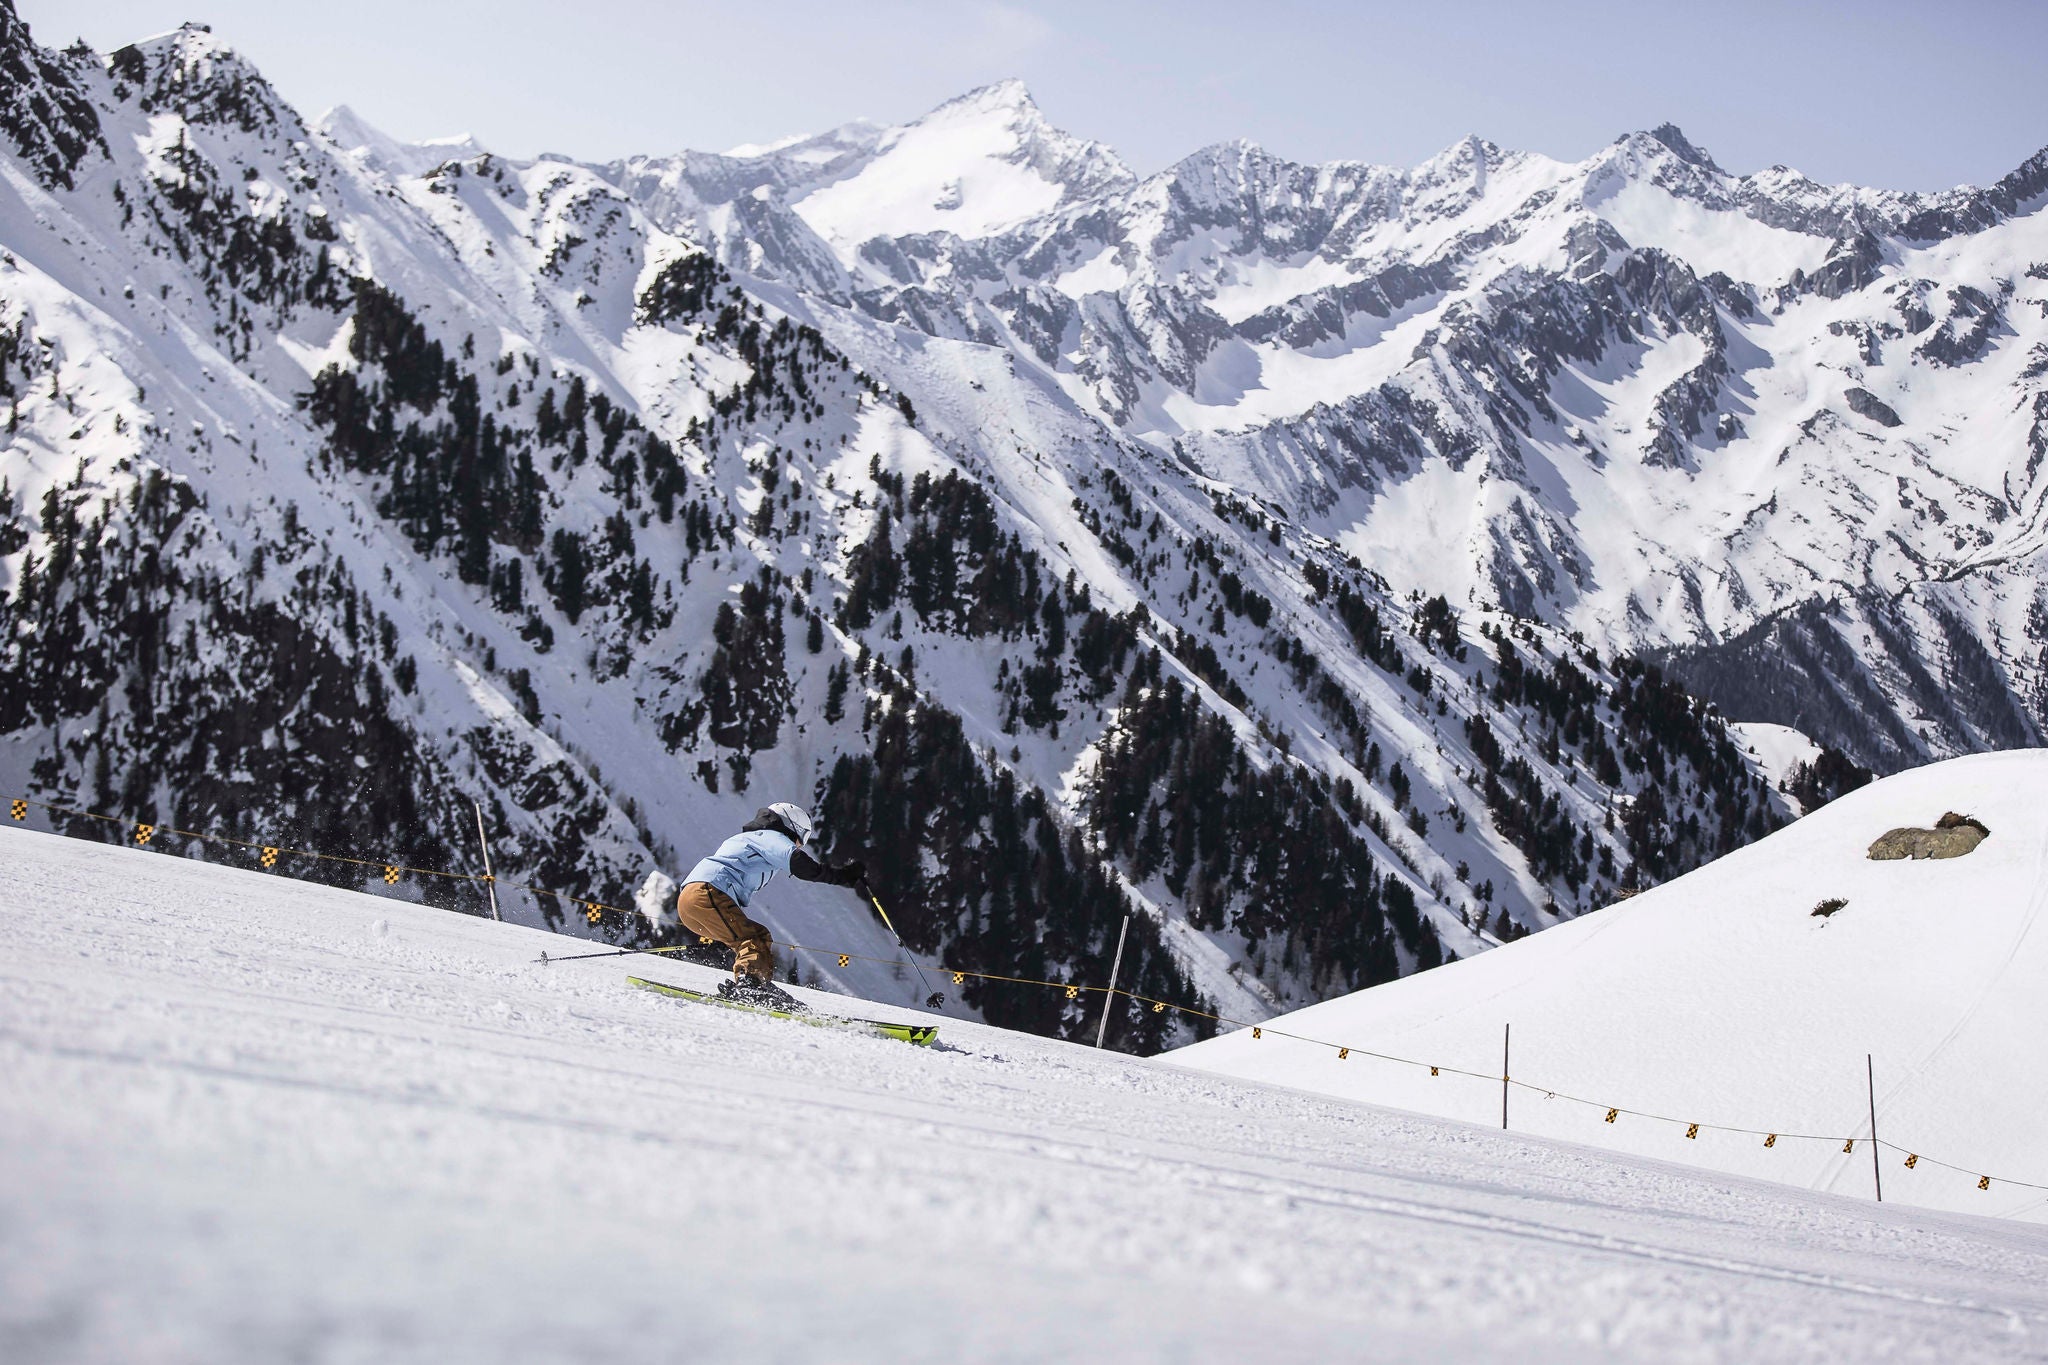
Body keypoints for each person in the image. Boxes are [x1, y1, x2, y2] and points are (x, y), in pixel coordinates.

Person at [676, 802, 868, 1010]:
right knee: (754, 937)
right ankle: (750, 985)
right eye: (802, 836)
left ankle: (757, 983)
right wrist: (843, 876)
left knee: (758, 936)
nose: (800, 844)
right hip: (706, 893)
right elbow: (799, 863)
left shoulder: (750, 838)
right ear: (790, 826)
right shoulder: (769, 837)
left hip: (691, 901)